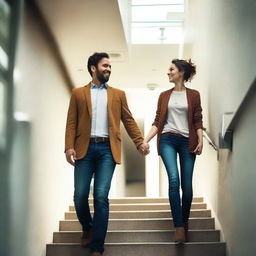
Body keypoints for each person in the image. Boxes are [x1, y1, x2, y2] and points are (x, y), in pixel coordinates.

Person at [64, 52, 149, 256]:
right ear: (93, 68)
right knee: (80, 195)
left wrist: (139, 142)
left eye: (110, 66)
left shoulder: (118, 94)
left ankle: (97, 247)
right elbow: (71, 122)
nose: (108, 69)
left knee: (101, 196)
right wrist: (68, 146)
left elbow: (128, 120)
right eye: (105, 66)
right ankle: (87, 226)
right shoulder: (78, 93)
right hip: (84, 149)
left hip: (107, 151)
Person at [143, 58, 203, 243]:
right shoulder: (163, 96)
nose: (168, 72)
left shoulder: (194, 95)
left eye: (171, 69)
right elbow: (157, 121)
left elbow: (197, 119)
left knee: (187, 185)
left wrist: (200, 140)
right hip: (168, 139)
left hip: (188, 142)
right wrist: (144, 140)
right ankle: (178, 226)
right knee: (174, 180)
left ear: (181, 73)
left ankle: (184, 222)